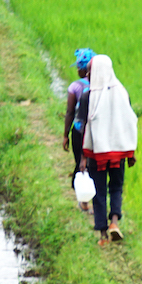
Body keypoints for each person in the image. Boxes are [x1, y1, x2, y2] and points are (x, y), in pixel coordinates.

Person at [79, 54, 138, 244]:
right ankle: (114, 222)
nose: (87, 74)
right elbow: (129, 122)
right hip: (119, 150)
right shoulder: (123, 93)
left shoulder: (88, 96)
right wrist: (131, 152)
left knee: (99, 190)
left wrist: (83, 158)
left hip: (97, 152)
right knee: (116, 187)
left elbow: (82, 129)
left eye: (90, 70)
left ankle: (103, 234)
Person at [63, 48, 93, 203]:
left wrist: (65, 135)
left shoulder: (75, 87)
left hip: (79, 130)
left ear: (82, 69)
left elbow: (69, 112)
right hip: (95, 130)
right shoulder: (100, 85)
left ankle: (83, 197)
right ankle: (88, 195)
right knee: (91, 163)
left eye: (77, 67)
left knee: (79, 161)